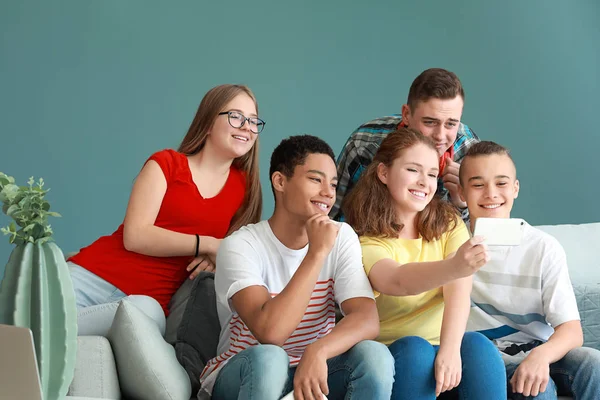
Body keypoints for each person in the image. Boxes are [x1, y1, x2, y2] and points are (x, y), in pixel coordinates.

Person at [199, 135, 394, 400]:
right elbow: (271, 333)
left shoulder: (341, 236)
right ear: (280, 181)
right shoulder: (241, 245)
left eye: (333, 184)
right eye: (316, 180)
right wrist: (316, 254)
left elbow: (367, 319)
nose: (328, 193)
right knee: (271, 358)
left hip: (313, 370)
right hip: (247, 372)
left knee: (375, 355)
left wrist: (318, 351)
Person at [68, 84, 263, 336]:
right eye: (236, 116)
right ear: (207, 122)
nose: (247, 126)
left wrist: (218, 255)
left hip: (145, 304)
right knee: (31, 339)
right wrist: (209, 244)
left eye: (253, 121)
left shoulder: (244, 189)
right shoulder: (166, 164)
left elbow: (236, 252)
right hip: (90, 277)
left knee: (137, 317)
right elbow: (135, 236)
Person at [343, 128, 506, 400]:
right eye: (413, 170)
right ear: (383, 173)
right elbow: (396, 280)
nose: (424, 182)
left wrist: (451, 350)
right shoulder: (364, 237)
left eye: (432, 174)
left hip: (444, 345)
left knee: (478, 345)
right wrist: (455, 266)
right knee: (416, 350)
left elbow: (458, 293)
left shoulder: (448, 222)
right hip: (395, 352)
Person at [459, 141, 600, 399]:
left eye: (501, 183)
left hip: (541, 350)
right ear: (462, 191)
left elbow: (571, 330)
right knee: (540, 390)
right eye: (478, 185)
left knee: (594, 363)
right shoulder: (451, 245)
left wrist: (540, 356)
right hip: (485, 360)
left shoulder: (543, 247)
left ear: (515, 189)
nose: (490, 194)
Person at [332, 68, 479, 223]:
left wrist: (461, 203)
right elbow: (333, 214)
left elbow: (481, 237)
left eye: (451, 124)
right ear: (406, 115)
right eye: (429, 122)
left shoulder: (470, 154)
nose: (440, 136)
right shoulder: (364, 144)